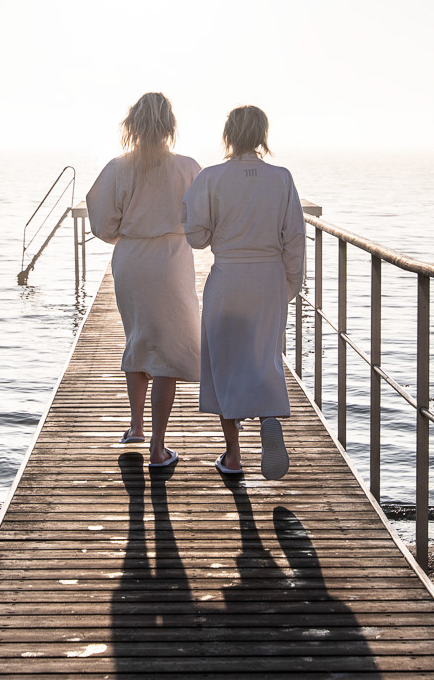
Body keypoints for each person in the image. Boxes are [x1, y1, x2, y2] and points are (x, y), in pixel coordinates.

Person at [183, 105, 305, 480]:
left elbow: (197, 238)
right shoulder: (281, 178)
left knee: (225, 362)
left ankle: (233, 455)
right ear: (262, 136)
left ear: (229, 135)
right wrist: (290, 285)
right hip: (269, 278)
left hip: (229, 277)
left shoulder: (211, 177)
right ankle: (268, 414)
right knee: (263, 354)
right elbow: (295, 238)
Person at [86, 92, 202, 470]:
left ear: (132, 125)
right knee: (167, 351)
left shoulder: (118, 168)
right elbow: (201, 222)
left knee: (137, 338)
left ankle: (136, 427)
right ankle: (157, 446)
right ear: (169, 126)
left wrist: (130, 232)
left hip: (132, 260)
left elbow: (103, 225)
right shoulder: (187, 168)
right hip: (170, 260)